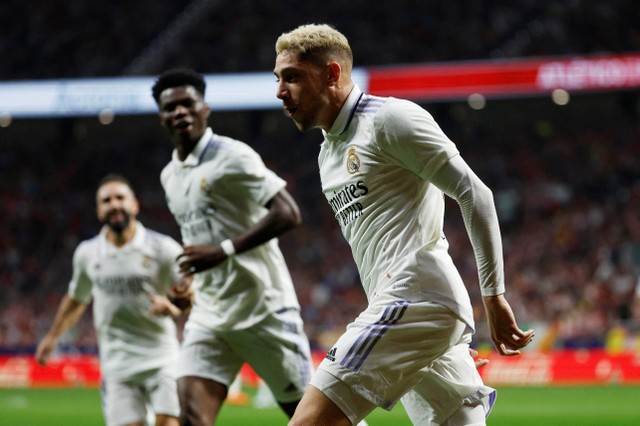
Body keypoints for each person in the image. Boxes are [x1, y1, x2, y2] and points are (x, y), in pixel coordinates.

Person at [273, 24, 535, 426]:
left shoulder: (389, 119)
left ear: (332, 74)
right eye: (278, 78)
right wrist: (437, 336)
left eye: (292, 77)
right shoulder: (328, 154)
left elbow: (474, 193)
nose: (280, 92)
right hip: (412, 313)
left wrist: (493, 299)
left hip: (414, 298)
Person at [151, 68, 314, 426]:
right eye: (170, 108)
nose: (179, 112)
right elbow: (199, 240)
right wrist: (189, 285)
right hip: (210, 316)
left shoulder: (232, 155)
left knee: (315, 419)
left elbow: (289, 213)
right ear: (161, 117)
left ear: (204, 108)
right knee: (191, 416)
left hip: (264, 310)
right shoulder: (169, 175)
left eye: (187, 104)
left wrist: (222, 251)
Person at [35, 174, 190, 426]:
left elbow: (193, 291)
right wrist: (53, 337)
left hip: (162, 360)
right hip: (117, 366)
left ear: (135, 205)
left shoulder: (163, 249)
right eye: (106, 200)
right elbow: (77, 299)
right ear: (99, 211)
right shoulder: (87, 253)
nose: (114, 204)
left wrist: (175, 307)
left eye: (120, 198)